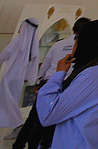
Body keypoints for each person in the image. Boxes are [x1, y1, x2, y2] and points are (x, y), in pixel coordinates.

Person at [35, 19, 98, 148]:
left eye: (77, 40)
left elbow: (48, 114)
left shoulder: (94, 74)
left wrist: (58, 75)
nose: (74, 44)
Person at [14, 18, 89, 149]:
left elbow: (46, 65)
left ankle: (19, 144)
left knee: (34, 118)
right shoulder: (84, 48)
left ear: (73, 29)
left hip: (48, 83)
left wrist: (39, 82)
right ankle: (37, 144)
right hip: (65, 86)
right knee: (49, 121)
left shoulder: (58, 44)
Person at [0, 18, 40, 130]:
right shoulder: (33, 44)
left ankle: (17, 124)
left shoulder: (18, 41)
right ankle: (15, 124)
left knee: (9, 100)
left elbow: (5, 54)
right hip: (19, 77)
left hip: (10, 76)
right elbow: (34, 62)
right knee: (10, 100)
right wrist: (28, 76)